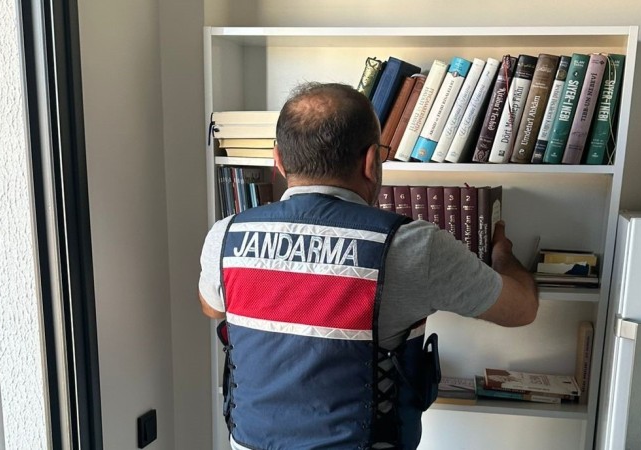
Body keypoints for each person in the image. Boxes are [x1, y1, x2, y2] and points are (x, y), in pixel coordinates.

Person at [198, 82, 538, 450]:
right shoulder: (413, 245)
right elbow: (522, 309)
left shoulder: (225, 235)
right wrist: (503, 256)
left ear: (277, 159)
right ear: (371, 161)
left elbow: (213, 307)